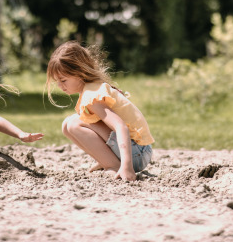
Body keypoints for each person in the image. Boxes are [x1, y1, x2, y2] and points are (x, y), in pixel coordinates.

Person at [45, 41, 154, 181]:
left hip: (137, 154)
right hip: (137, 151)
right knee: (67, 125)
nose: (60, 86)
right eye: (57, 81)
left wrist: (127, 166)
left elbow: (120, 127)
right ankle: (107, 161)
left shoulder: (92, 96)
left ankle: (114, 166)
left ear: (79, 73)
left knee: (73, 124)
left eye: (63, 80)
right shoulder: (91, 89)